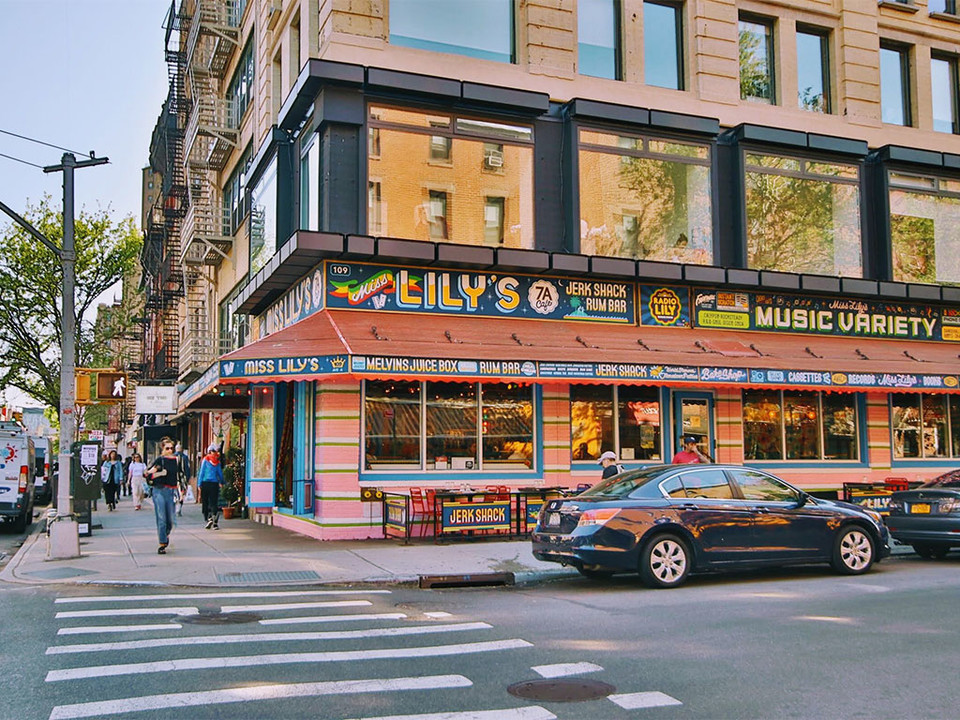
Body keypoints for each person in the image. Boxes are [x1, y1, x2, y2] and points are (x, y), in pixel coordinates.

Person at [145, 438, 180, 554]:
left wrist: (182, 490)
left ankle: (166, 533)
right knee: (161, 518)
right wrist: (159, 472)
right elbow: (149, 474)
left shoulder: (177, 460)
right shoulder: (160, 460)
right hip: (159, 490)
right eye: (167, 448)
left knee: (170, 520)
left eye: (171, 448)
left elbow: (180, 475)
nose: (170, 450)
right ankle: (162, 543)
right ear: (162, 448)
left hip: (171, 491)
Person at [197, 443, 225, 530]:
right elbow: (219, 473)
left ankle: (208, 518)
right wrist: (222, 482)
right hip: (214, 484)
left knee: (205, 502)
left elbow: (201, 472)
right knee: (214, 502)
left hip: (205, 483)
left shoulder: (205, 460)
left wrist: (199, 483)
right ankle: (214, 518)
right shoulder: (217, 462)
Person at [174, 442, 193, 516]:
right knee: (182, 493)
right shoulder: (184, 457)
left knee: (175, 494)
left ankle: (175, 507)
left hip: (174, 479)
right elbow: (187, 469)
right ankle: (179, 509)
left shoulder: (172, 457)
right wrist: (188, 478)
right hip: (182, 479)